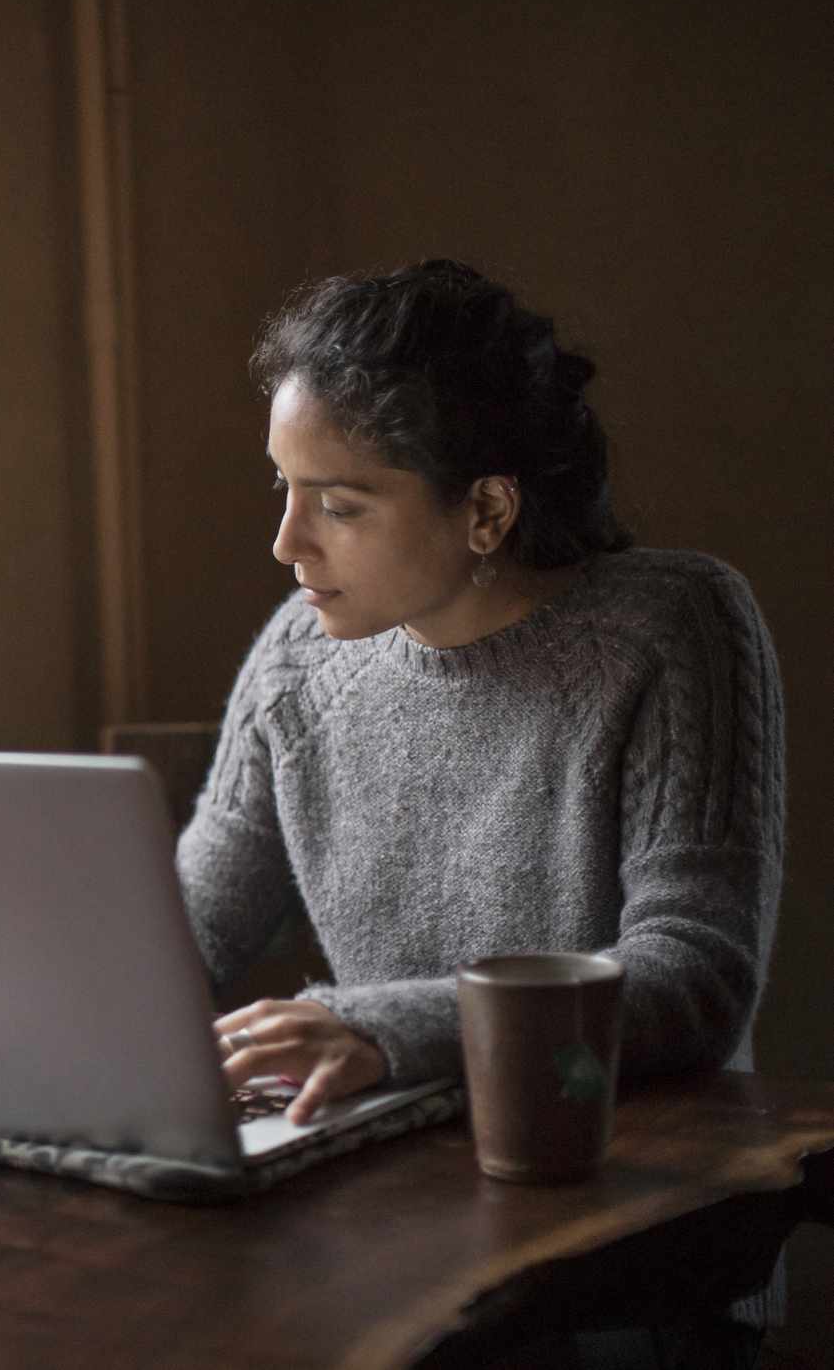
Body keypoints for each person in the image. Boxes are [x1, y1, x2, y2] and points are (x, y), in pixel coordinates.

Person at [177, 259, 785, 1128]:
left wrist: (378, 1026)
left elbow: (694, 977)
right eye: (285, 487)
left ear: (488, 511)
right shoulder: (295, 658)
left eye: (339, 506)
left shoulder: (669, 626)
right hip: (392, 1179)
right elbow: (186, 936)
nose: (286, 544)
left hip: (626, 1181)